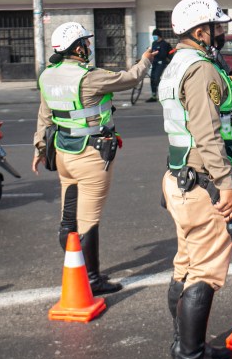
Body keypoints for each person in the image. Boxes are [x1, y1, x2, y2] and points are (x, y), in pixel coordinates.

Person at [159, 0, 232, 359]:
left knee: (185, 265)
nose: (221, 33)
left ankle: (185, 346)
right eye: (216, 27)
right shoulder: (202, 70)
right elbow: (206, 134)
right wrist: (225, 183)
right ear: (199, 31)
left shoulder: (177, 63)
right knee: (205, 273)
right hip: (202, 183)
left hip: (180, 176)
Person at [33, 22, 153, 294]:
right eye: (85, 43)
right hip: (90, 155)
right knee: (88, 219)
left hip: (63, 153)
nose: (88, 47)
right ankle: (91, 280)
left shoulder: (48, 75)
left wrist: (40, 148)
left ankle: (74, 266)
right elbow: (129, 79)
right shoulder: (89, 76)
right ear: (77, 48)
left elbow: (44, 116)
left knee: (68, 216)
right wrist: (145, 61)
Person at [146, 29, 172, 103]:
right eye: (153, 36)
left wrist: (156, 53)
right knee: (152, 79)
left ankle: (163, 94)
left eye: (155, 35)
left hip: (161, 63)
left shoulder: (164, 44)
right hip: (154, 63)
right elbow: (152, 52)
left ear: (159, 35)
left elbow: (163, 55)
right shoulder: (154, 43)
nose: (154, 37)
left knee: (157, 78)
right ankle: (153, 96)